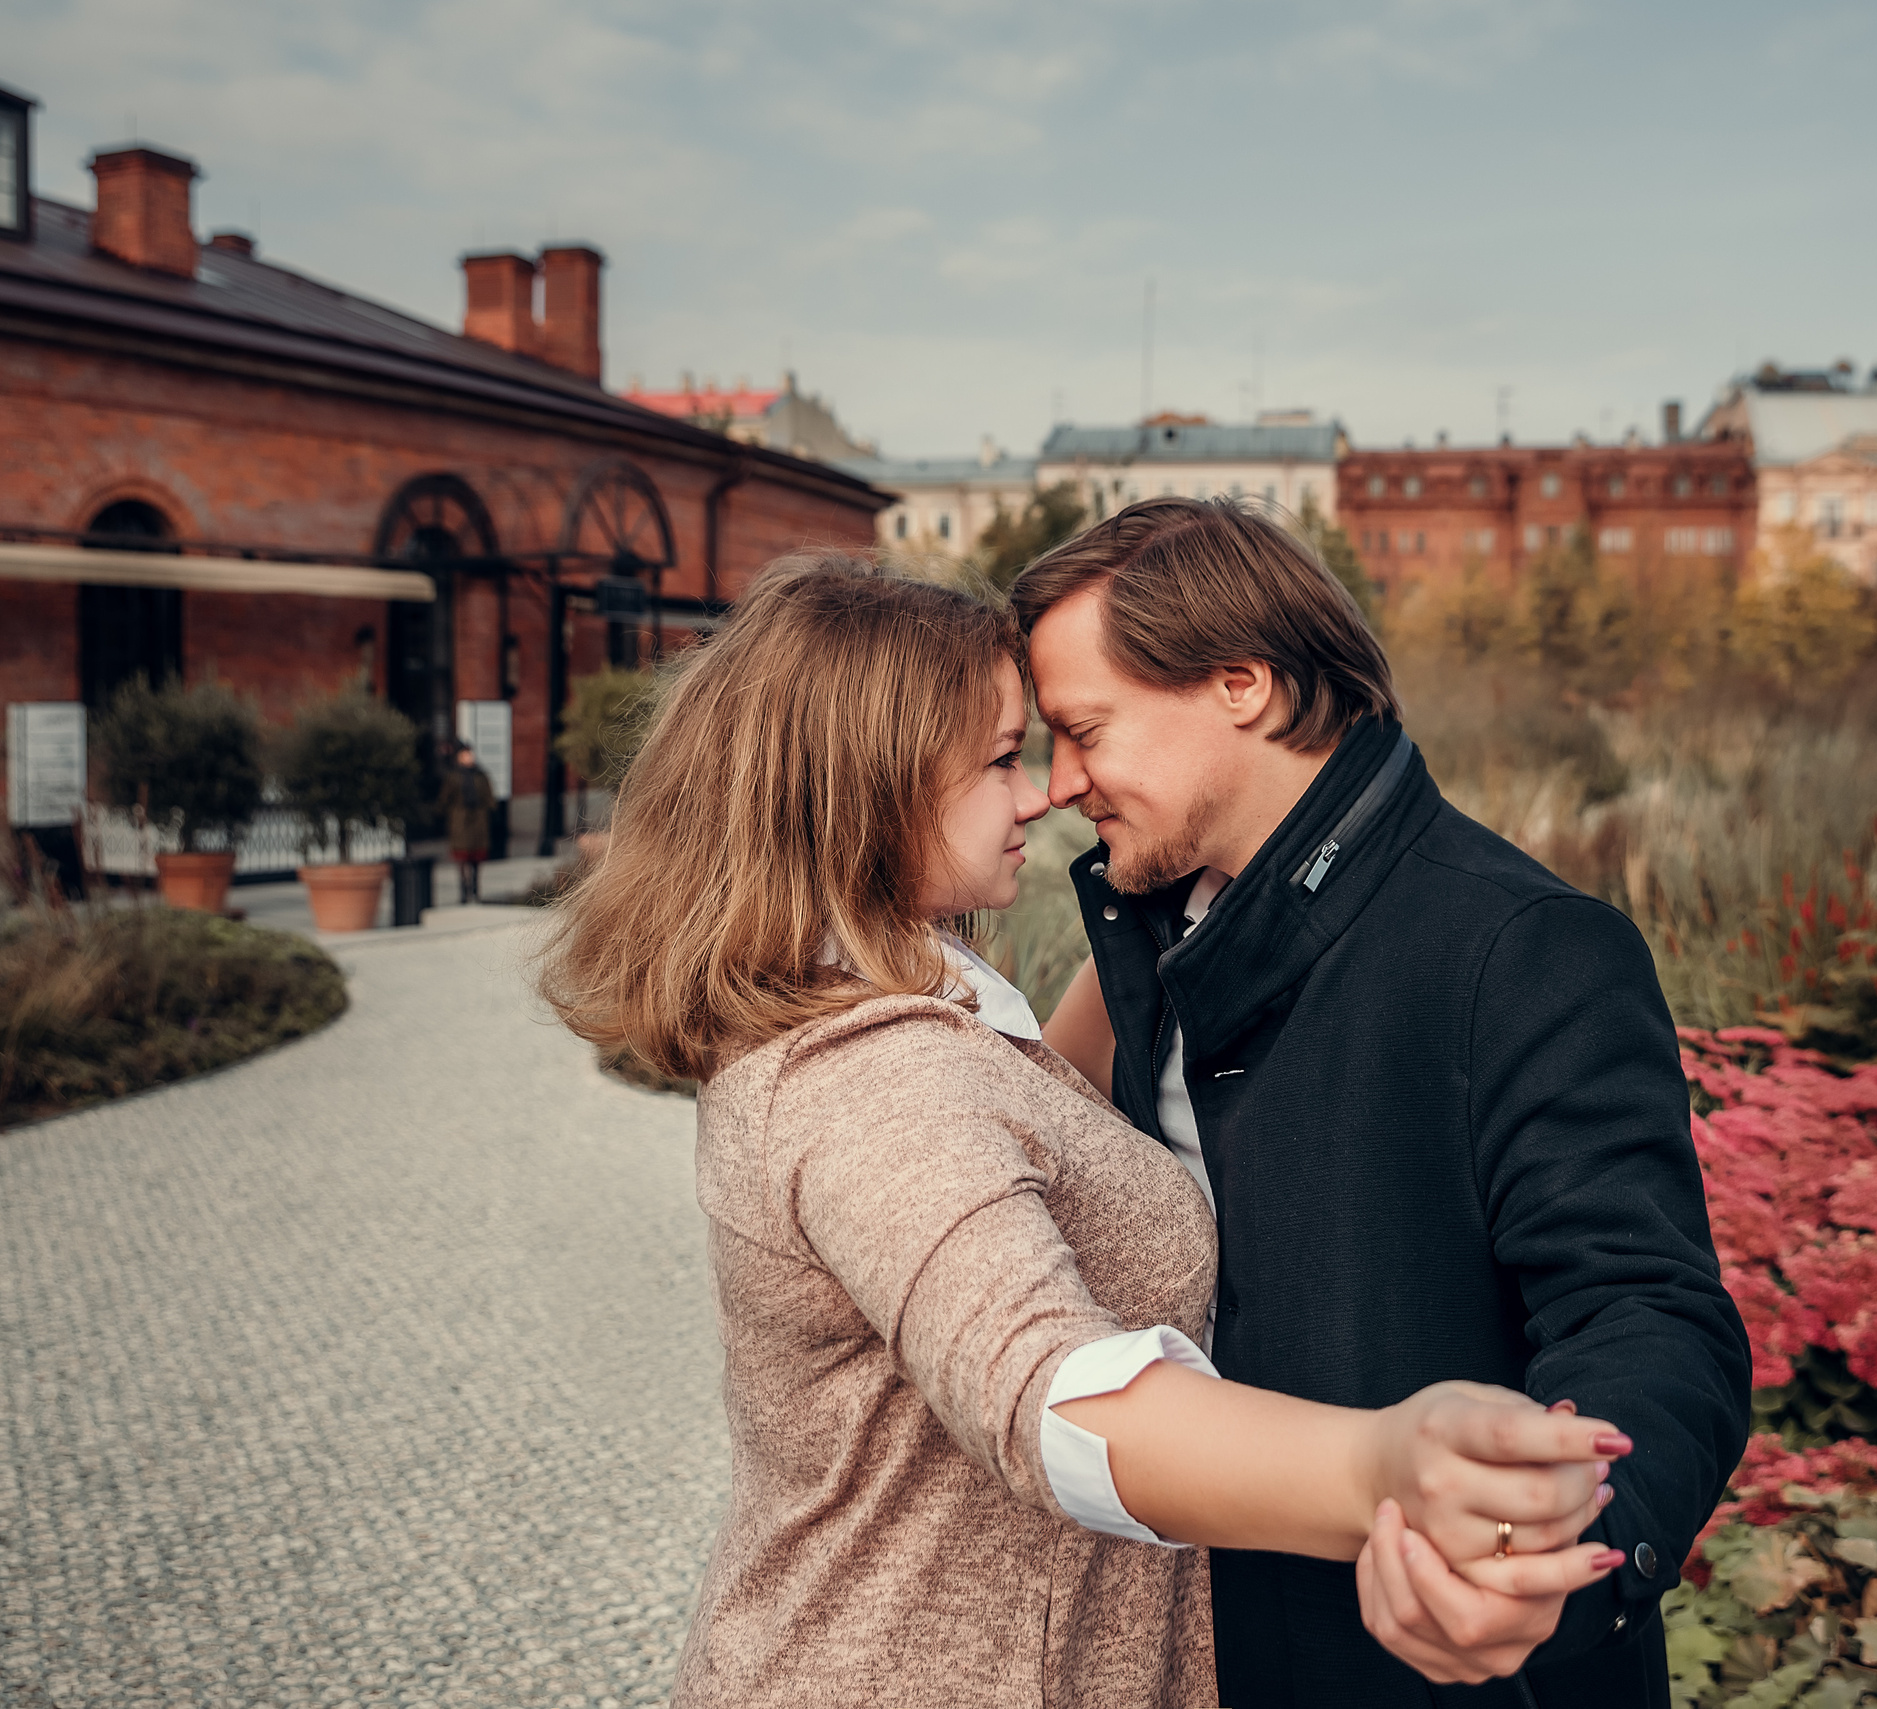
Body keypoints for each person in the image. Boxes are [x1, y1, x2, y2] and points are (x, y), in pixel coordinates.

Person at [538, 553, 1632, 1709]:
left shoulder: (923, 993)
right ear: (869, 784)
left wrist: (1240, 848)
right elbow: (1041, 1388)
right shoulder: (867, 1078)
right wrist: (1380, 1466)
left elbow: (1052, 1104)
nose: (1040, 793)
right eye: (1002, 757)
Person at [1019, 499, 1754, 1708]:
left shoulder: (1525, 947)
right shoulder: (1150, 932)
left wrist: (1550, 1559)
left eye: (1083, 730)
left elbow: (1649, 1310)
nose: (1058, 784)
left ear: (1241, 683)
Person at [436, 743, 498, 902]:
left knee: (477, 857)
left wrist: (490, 809)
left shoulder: (481, 776)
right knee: (462, 857)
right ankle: (464, 889)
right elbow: (445, 799)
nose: (469, 758)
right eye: (465, 755)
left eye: (470, 754)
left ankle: (476, 889)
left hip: (478, 820)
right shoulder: (454, 776)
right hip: (460, 820)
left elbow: (489, 797)